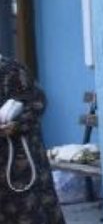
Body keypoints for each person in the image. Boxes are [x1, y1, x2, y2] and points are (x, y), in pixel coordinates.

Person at [0, 54, 65, 223]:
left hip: (20, 157)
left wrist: (16, 125)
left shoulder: (11, 70)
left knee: (32, 209)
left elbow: (37, 103)